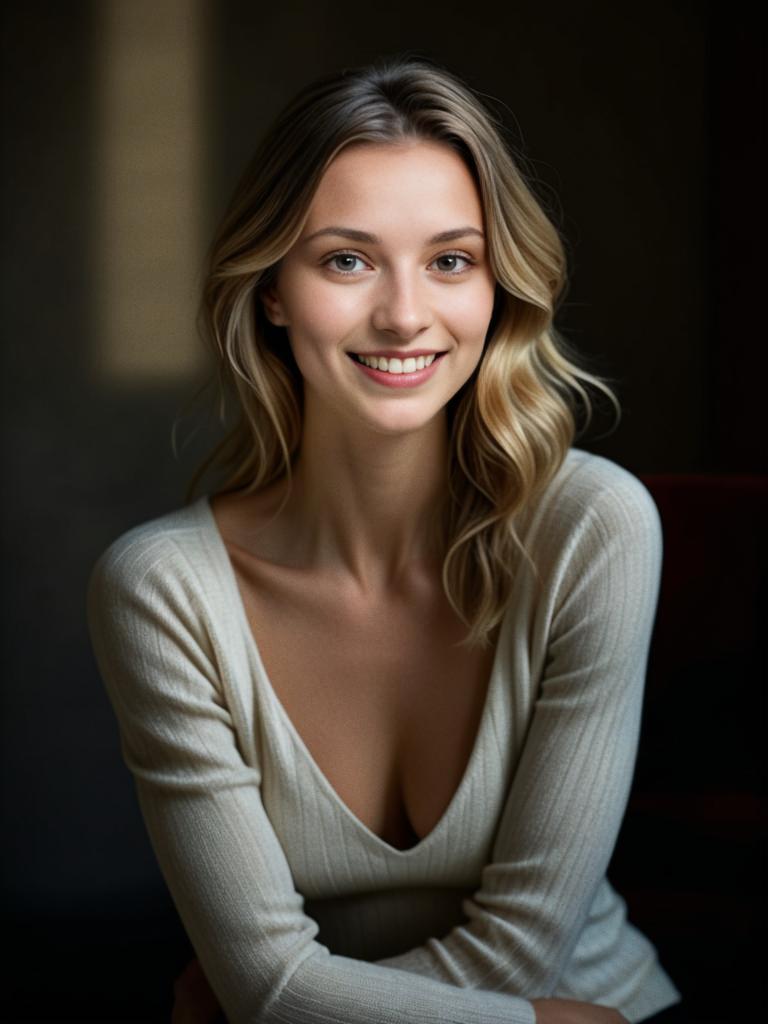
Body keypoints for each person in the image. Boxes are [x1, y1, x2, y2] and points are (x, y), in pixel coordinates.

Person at [87, 55, 686, 1024]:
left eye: (451, 259)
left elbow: (522, 951)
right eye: (347, 259)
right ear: (272, 289)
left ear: (499, 284)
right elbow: (267, 986)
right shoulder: (164, 591)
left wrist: (286, 1010)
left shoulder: (594, 528)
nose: (406, 313)